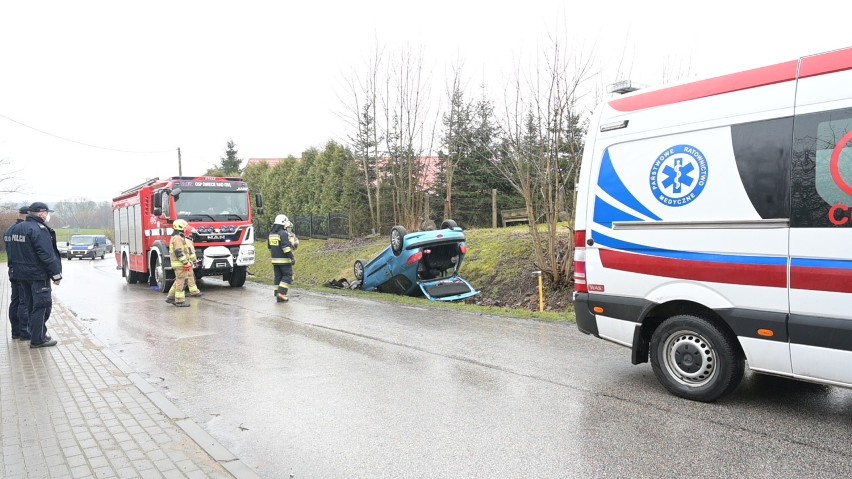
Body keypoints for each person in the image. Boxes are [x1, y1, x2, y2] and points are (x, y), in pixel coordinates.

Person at [6, 202, 62, 348]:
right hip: (38, 275)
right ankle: (38, 339)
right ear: (41, 213)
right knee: (42, 306)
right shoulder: (39, 229)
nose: (47, 215)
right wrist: (56, 274)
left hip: (21, 275)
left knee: (30, 305)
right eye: (47, 212)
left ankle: (33, 333)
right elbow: (46, 254)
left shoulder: (16, 229)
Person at [4, 206, 31, 340]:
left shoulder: (9, 230)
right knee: (24, 302)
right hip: (23, 270)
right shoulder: (25, 230)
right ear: (27, 215)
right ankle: (24, 331)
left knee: (14, 301)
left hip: (12, 269)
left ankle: (15, 332)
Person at [165, 219, 201, 307]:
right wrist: (185, 262)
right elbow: (179, 252)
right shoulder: (177, 238)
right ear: (180, 227)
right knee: (182, 282)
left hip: (179, 264)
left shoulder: (178, 237)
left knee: (178, 281)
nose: (185, 229)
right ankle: (179, 301)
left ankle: (170, 298)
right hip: (180, 264)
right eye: (184, 227)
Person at [268, 214, 296, 302]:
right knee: (287, 276)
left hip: (275, 260)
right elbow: (286, 248)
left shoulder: (271, 234)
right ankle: (281, 293)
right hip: (284, 260)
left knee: (278, 277)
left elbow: (269, 247)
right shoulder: (283, 233)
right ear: (283, 223)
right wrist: (292, 257)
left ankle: (277, 292)